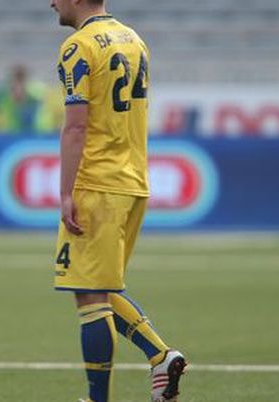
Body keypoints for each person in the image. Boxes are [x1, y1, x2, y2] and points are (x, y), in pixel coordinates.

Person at [49, 1, 187, 401]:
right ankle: (161, 356)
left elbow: (76, 127)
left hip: (97, 184)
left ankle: (99, 398)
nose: (51, 2)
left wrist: (66, 192)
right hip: (133, 182)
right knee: (102, 286)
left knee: (89, 295)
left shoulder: (79, 45)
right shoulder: (134, 40)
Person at [0, 64, 52, 134]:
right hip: (12, 134)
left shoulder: (35, 91)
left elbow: (29, 119)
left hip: (38, 134)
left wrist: (21, 103)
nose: (17, 88)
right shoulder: (3, 92)